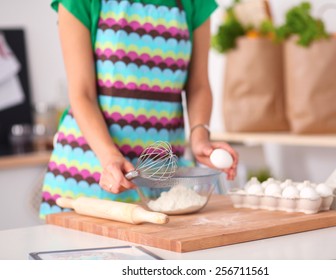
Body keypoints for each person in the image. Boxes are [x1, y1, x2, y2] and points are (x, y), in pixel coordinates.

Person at [39, 0, 238, 219]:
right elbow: (82, 94)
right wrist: (109, 157)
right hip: (90, 170)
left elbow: (198, 85)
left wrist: (200, 139)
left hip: (162, 175)